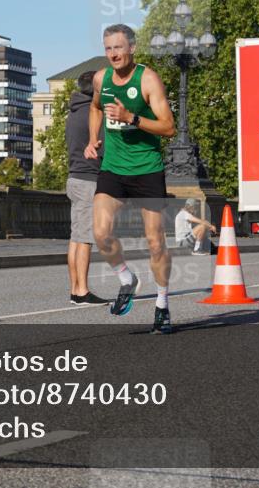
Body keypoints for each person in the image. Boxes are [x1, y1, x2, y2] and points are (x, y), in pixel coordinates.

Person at [84, 23, 176, 334]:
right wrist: (92, 139)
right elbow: (95, 107)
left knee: (155, 242)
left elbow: (168, 127)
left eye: (119, 47)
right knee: (100, 233)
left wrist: (131, 118)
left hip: (147, 168)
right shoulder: (101, 78)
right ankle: (127, 278)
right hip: (113, 167)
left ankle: (162, 305)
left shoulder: (147, 79)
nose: (113, 54)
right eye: (108, 48)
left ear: (132, 48)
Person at [64, 70, 109, 306]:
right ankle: (82, 291)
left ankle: (75, 289)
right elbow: (103, 149)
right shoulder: (93, 114)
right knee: (85, 238)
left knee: (76, 237)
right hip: (89, 179)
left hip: (75, 177)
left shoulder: (73, 112)